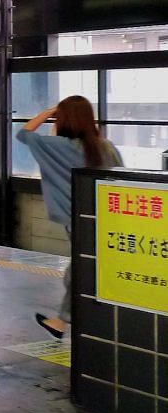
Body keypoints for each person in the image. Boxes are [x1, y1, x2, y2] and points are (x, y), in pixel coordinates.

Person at [17, 95, 123, 339]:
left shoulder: (55, 146)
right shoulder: (104, 146)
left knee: (80, 268)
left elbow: (23, 134)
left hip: (75, 219)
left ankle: (66, 320)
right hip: (108, 218)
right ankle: (64, 320)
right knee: (85, 266)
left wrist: (48, 112)